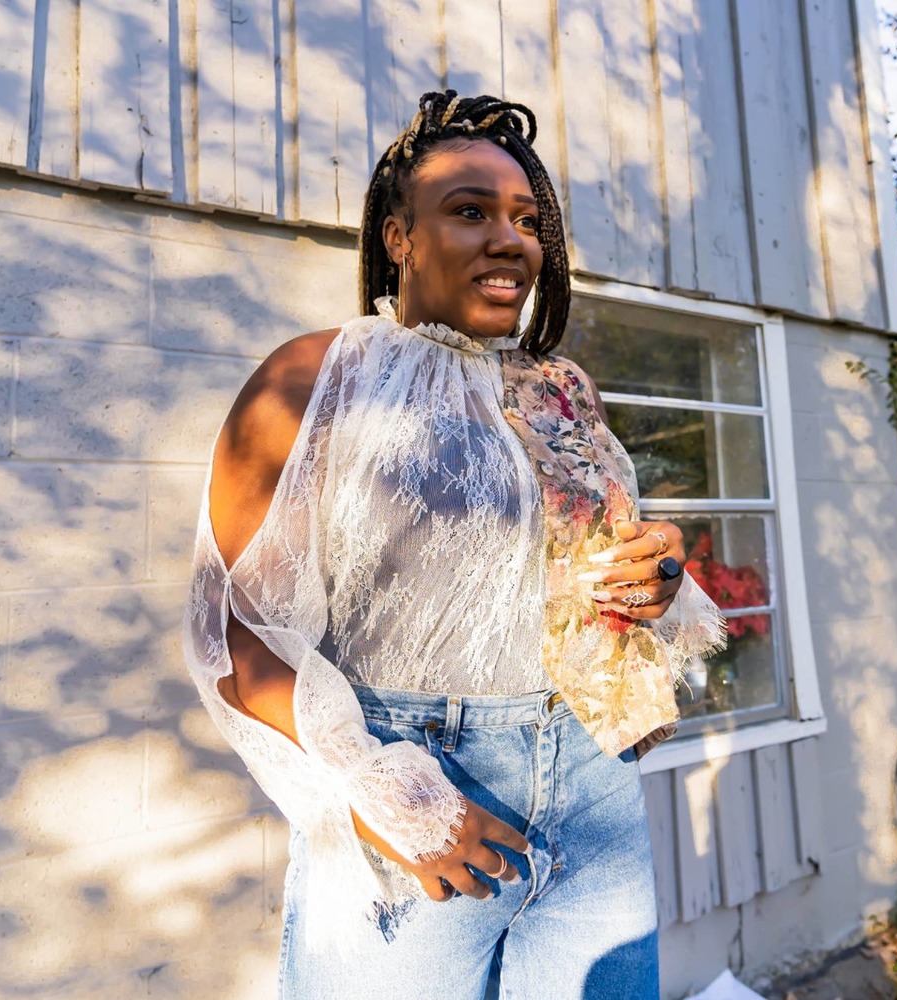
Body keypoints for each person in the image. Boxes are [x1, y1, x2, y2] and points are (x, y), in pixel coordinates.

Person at [183, 91, 725, 1000]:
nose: (508, 238)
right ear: (398, 237)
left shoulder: (563, 389)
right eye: (469, 211)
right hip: (422, 776)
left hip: (593, 786)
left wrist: (659, 574)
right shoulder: (320, 374)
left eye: (525, 218)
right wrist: (378, 788)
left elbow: (605, 575)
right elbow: (232, 628)